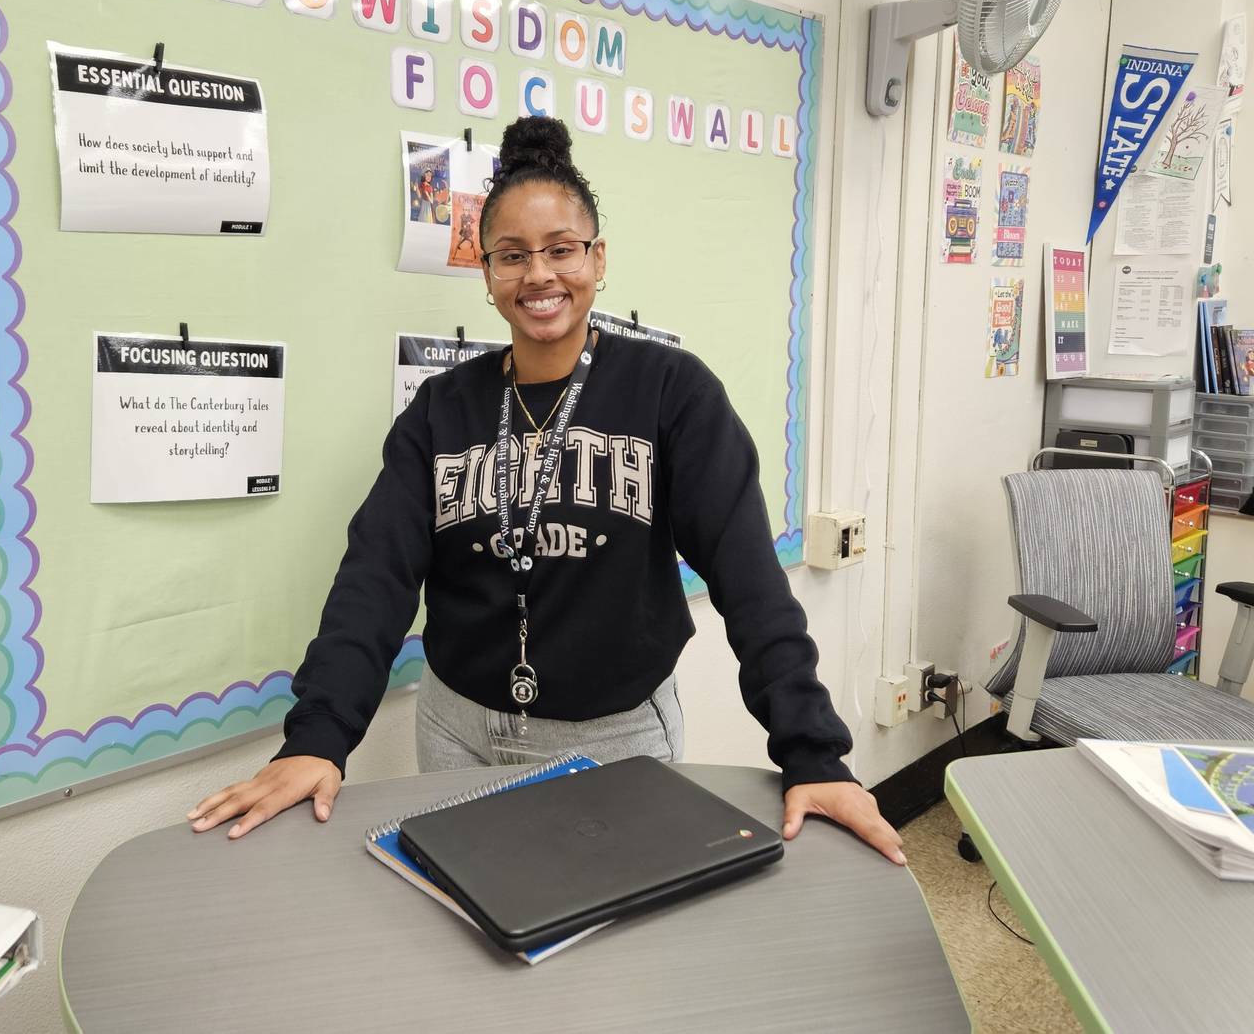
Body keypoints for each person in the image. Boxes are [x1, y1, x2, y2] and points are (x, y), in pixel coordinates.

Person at [190, 117, 904, 865]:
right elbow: (375, 575)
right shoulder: (443, 408)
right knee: (473, 927)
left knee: (613, 944)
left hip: (616, 738)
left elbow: (750, 577)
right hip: (457, 730)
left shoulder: (671, 393)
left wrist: (813, 750)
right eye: (513, 255)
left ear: (598, 259)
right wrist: (318, 739)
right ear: (488, 273)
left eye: (562, 250)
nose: (539, 275)